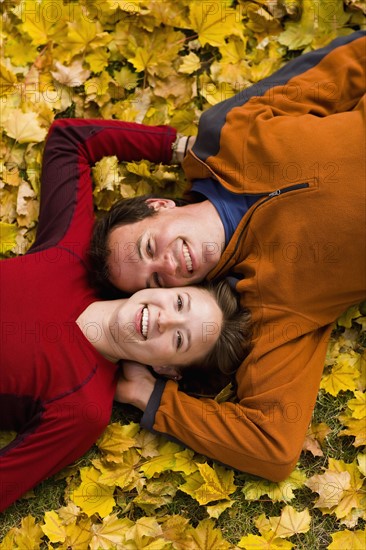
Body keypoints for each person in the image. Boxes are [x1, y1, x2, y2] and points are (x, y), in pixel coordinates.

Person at [90, 31, 366, 481]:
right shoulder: (268, 309)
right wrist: (152, 398)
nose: (167, 264)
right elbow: (272, 447)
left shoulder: (226, 134)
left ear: (159, 207)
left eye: (148, 247)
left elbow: (343, 65)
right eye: (155, 282)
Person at [0, 119, 251, 512]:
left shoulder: (84, 408)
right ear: (166, 287)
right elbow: (71, 140)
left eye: (179, 340)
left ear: (168, 369)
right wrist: (180, 148)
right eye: (180, 303)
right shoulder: (72, 255)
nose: (166, 319)